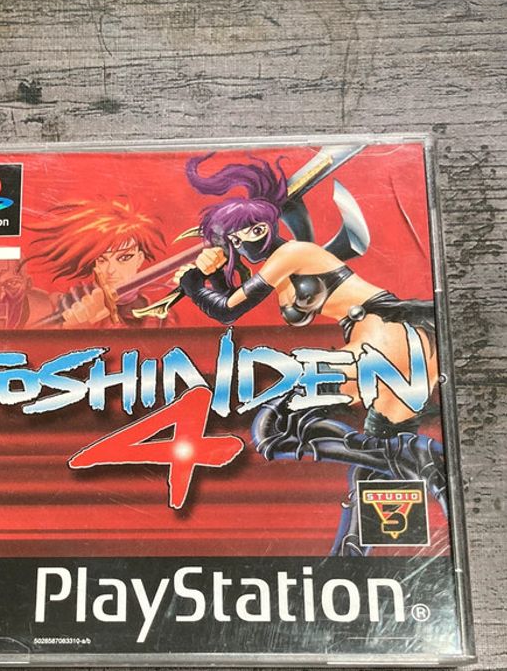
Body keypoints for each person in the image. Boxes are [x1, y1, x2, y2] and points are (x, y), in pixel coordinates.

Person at [176, 152, 444, 555]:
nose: (244, 244)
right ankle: (355, 560)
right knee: (377, 468)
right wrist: (213, 274)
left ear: (264, 226)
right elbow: (243, 297)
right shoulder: (287, 267)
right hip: (384, 342)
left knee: (277, 428)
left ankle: (424, 460)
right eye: (235, 240)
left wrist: (194, 282)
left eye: (250, 232)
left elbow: (227, 310)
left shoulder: (291, 255)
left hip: (385, 333)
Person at [24, 197, 167, 327]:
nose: (111, 270)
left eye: (124, 258)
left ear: (139, 259)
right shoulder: (64, 304)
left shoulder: (159, 314)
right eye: (102, 260)